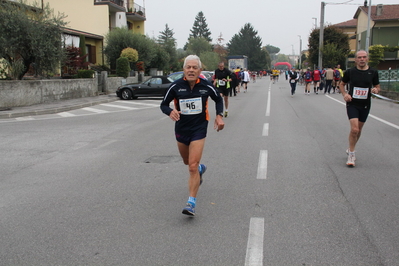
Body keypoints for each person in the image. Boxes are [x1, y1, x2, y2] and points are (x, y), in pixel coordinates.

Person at [160, 55, 225, 215]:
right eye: (188, 67)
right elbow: (163, 104)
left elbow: (218, 99)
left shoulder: (205, 85)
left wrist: (219, 115)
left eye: (194, 67)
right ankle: (201, 169)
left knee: (192, 166)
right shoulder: (175, 86)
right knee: (186, 162)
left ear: (199, 70)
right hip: (182, 129)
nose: (191, 70)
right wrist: (170, 111)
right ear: (184, 69)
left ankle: (191, 203)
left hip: (199, 128)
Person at [338, 50, 380, 167]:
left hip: (365, 104)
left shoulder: (373, 72)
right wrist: (345, 94)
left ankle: (351, 147)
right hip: (353, 103)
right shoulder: (350, 72)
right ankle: (351, 154)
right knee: (354, 129)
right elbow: (341, 84)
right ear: (356, 60)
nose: (362, 59)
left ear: (367, 59)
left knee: (359, 130)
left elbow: (377, 86)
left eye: (364, 57)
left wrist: (376, 90)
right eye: (359, 57)